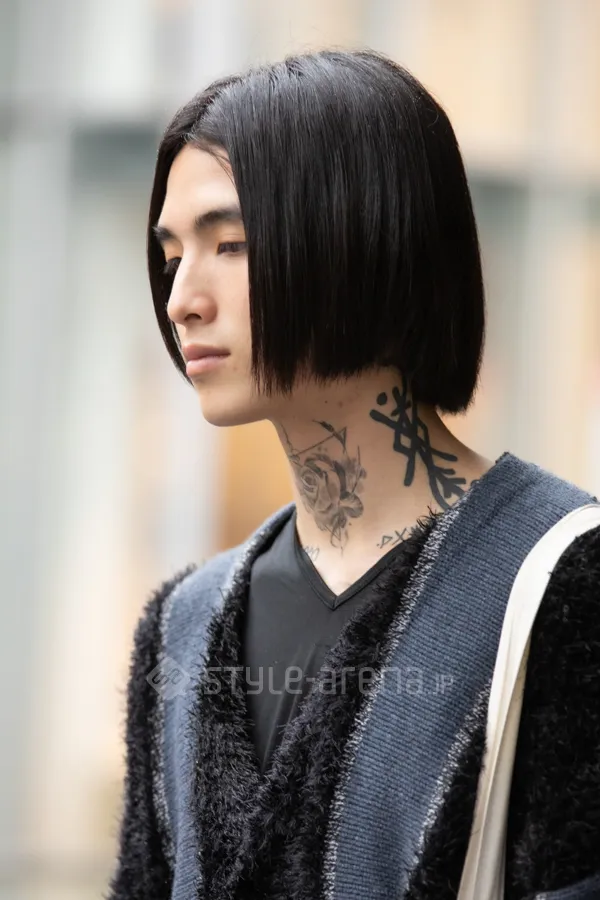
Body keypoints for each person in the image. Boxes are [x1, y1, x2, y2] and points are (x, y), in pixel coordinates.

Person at [105, 48, 600, 900]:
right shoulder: (183, 625)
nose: (182, 297)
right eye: (172, 254)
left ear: (365, 239)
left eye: (231, 243)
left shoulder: (563, 579)